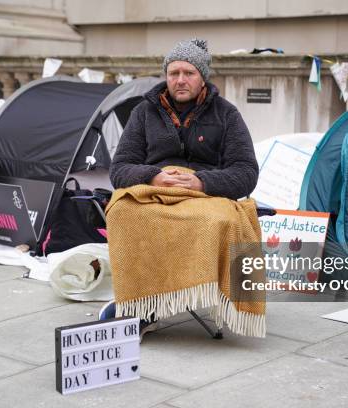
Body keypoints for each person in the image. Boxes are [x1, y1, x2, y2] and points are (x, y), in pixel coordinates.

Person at [99, 39, 260, 336]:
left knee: (220, 221)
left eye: (189, 73)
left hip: (205, 194)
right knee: (123, 212)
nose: (180, 80)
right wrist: (152, 176)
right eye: (174, 73)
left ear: (203, 78)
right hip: (155, 191)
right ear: (166, 76)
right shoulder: (143, 113)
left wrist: (203, 181)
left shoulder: (227, 114)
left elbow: (246, 173)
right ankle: (141, 304)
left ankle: (211, 296)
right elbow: (120, 169)